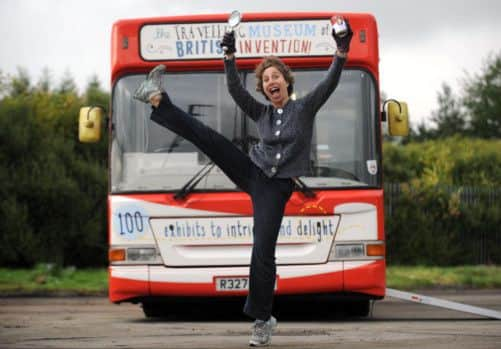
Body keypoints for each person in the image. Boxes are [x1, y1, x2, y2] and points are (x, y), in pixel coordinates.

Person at [133, 16, 353, 347]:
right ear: (263, 88)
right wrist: (229, 56)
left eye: (276, 76)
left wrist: (341, 49)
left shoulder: (305, 108)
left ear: (286, 81)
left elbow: (330, 82)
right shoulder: (262, 113)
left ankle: (262, 319)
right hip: (252, 171)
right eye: (265, 79)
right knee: (208, 138)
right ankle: (156, 98)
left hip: (275, 187)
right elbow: (235, 89)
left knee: (262, 249)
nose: (271, 81)